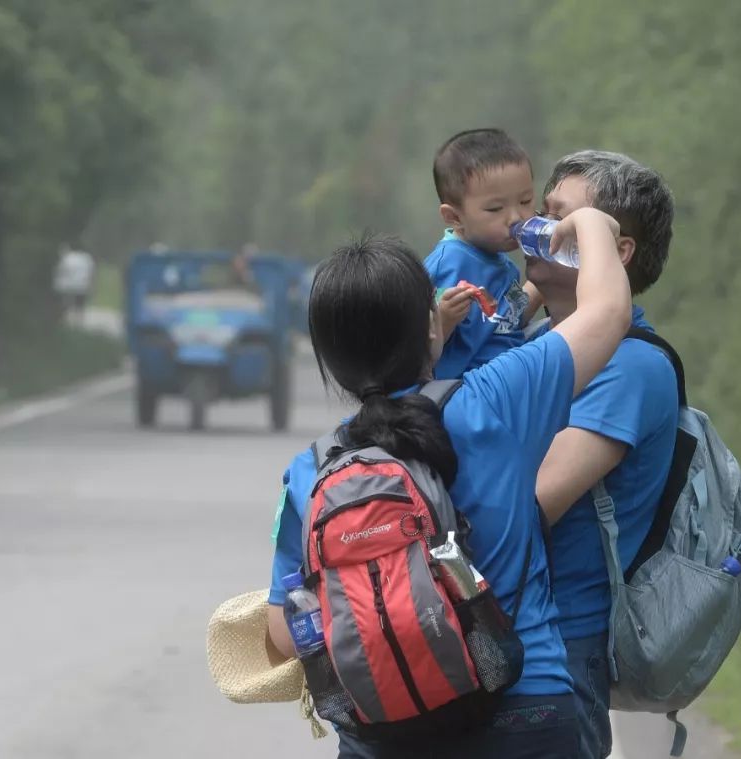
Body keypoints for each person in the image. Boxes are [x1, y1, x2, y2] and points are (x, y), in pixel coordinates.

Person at [266, 206, 631, 758]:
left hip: (382, 735)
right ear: (431, 325)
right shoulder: (496, 398)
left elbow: (282, 631)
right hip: (525, 713)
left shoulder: (311, 472)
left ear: (329, 361)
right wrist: (591, 222)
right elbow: (608, 310)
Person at [532, 151, 679, 758]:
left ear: (614, 250)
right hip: (513, 634)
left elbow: (532, 500)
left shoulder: (631, 368)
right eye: (540, 215)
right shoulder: (544, 342)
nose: (533, 233)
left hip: (557, 648)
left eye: (560, 221)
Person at [424, 129, 545, 380]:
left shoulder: (498, 259)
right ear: (455, 217)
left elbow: (512, 318)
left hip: (508, 381)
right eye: (495, 208)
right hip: (463, 393)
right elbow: (406, 351)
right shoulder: (447, 265)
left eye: (525, 201)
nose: (516, 217)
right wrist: (443, 321)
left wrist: (548, 275)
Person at [53, 242, 95, 322]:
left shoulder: (67, 257)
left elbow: (61, 271)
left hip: (67, 286)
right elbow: (91, 273)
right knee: (79, 306)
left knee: (66, 304)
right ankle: (78, 321)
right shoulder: (87, 258)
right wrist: (91, 285)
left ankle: (64, 320)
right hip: (82, 285)